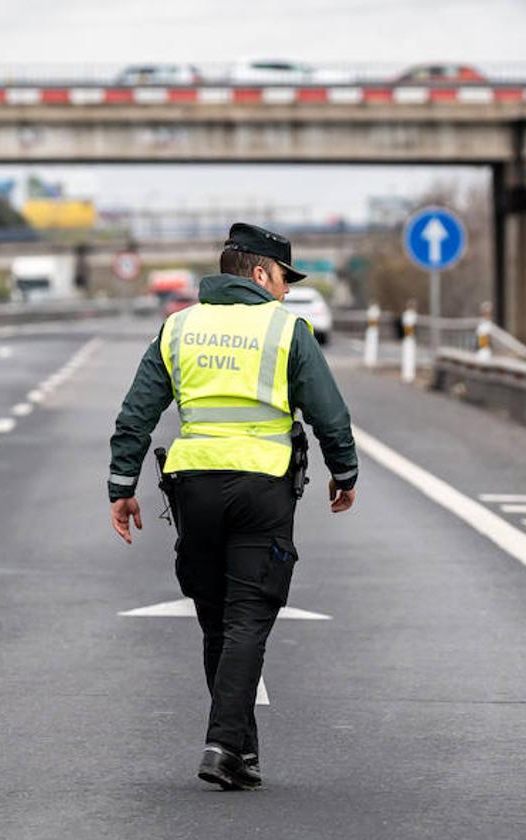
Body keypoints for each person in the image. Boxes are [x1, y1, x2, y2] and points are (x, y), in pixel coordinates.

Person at [108, 222, 358, 791]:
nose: (288, 290)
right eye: (284, 279)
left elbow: (136, 413)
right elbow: (329, 412)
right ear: (261, 273)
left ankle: (240, 753)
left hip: (193, 487)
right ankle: (222, 743)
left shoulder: (178, 328)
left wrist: (122, 485)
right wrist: (344, 471)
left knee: (216, 618)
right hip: (262, 488)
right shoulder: (286, 328)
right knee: (248, 615)